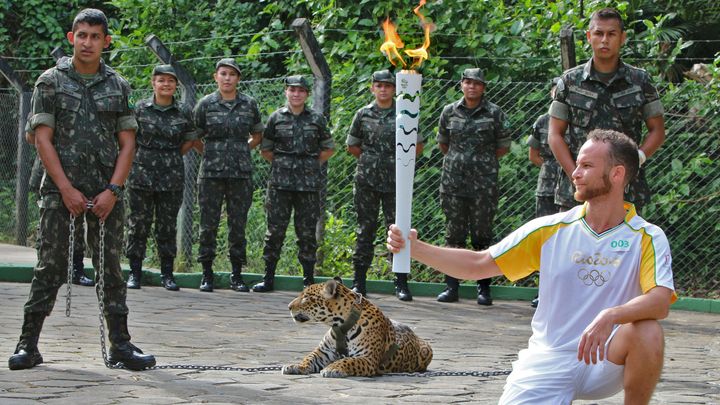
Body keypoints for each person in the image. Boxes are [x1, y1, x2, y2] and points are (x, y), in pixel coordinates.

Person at [388, 129, 675, 404]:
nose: (575, 173)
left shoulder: (646, 236)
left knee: (648, 332)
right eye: (577, 165)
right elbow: (478, 264)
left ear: (617, 174)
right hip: (548, 358)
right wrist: (416, 248)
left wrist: (612, 316)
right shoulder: (550, 229)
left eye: (586, 166)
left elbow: (660, 301)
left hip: (605, 357)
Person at [8, 8, 155, 371]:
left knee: (111, 269)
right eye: (82, 35)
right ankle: (28, 344)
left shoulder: (118, 85)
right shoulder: (50, 82)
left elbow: (128, 144)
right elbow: (41, 140)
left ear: (106, 42)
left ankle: (120, 345)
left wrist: (113, 190)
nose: (88, 42)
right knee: (50, 267)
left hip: (106, 191)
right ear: (72, 38)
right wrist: (65, 189)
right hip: (61, 190)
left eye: (95, 36)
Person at [549, 7, 666, 214]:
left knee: (624, 246)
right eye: (598, 33)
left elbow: (657, 130)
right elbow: (554, 134)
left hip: (625, 188)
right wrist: (575, 174)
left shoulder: (640, 81)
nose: (604, 40)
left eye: (611, 34)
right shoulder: (569, 81)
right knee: (573, 246)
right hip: (576, 192)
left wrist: (637, 158)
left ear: (622, 38)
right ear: (589, 37)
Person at [346, 70, 424, 301]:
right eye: (378, 86)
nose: (383, 90)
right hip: (367, 182)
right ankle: (359, 283)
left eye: (388, 86)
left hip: (396, 183)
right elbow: (353, 146)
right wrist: (373, 161)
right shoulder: (363, 114)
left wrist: (395, 162)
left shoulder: (405, 113)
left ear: (394, 89)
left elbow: (417, 146)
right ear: (372, 88)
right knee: (364, 230)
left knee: (398, 231)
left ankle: (400, 283)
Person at [252, 75, 335, 292]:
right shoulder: (276, 118)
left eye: (300, 91)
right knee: (275, 231)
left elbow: (328, 148)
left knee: (307, 233)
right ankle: (268, 277)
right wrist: (284, 165)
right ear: (286, 92)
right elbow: (266, 150)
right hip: (280, 185)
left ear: (307, 94)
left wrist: (309, 165)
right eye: (292, 90)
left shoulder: (317, 119)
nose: (296, 94)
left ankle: (308, 280)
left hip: (308, 186)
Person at [435, 68, 510, 305]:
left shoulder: (494, 113)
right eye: (467, 82)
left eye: (477, 83)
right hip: (454, 183)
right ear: (461, 85)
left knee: (482, 236)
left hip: (483, 185)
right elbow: (444, 144)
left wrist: (480, 163)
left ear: (483, 87)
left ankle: (483, 289)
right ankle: (451, 287)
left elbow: (502, 147)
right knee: (454, 235)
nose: (472, 87)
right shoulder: (449, 112)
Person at [124, 64, 198, 291]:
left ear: (176, 85)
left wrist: (170, 156)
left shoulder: (184, 111)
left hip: (171, 175)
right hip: (141, 174)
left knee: (166, 227)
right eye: (161, 80)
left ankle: (167, 274)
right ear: (153, 83)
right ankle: (134, 273)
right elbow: (130, 139)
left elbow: (189, 141)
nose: (166, 84)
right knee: (138, 224)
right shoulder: (140, 108)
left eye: (170, 81)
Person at [193, 58, 263, 292]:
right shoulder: (205, 104)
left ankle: (236, 274)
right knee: (208, 224)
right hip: (211, 173)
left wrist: (242, 150)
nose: (227, 78)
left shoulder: (249, 104)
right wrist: (211, 153)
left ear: (238, 79)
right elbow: (195, 136)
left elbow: (257, 135)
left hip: (240, 174)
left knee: (237, 224)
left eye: (232, 75)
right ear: (216, 77)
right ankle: (206, 274)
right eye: (223, 74)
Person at [526, 78, 565, 308]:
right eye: (554, 89)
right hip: (547, 186)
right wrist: (551, 168)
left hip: (572, 186)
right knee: (545, 240)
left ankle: (562, 293)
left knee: (566, 241)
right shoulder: (543, 121)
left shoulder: (577, 120)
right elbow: (534, 154)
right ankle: (543, 291)